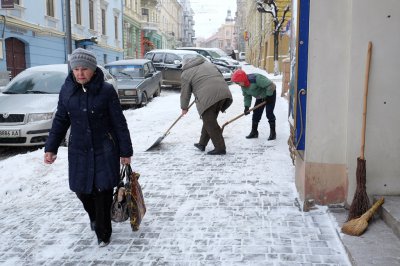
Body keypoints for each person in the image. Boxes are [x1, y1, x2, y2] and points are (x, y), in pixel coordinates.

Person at [43, 48, 133, 247]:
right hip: (79, 149)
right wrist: (51, 148)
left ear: (93, 70)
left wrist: (125, 152)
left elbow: (119, 122)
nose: (80, 73)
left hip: (105, 147)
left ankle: (103, 231)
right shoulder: (67, 90)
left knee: (102, 191)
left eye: (84, 69)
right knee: (81, 190)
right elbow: (60, 120)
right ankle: (95, 217)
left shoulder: (107, 90)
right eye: (76, 69)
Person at [180, 55, 233, 155]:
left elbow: (185, 92)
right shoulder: (208, 64)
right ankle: (202, 144)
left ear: (185, 64)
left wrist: (184, 107)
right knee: (209, 120)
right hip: (224, 92)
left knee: (210, 122)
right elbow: (219, 75)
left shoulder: (186, 72)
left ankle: (220, 148)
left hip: (208, 97)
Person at [231, 69, 277, 140]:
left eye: (238, 82)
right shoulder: (243, 86)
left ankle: (273, 133)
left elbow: (270, 85)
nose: (238, 85)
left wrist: (269, 96)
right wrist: (246, 106)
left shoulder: (256, 79)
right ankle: (254, 132)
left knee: (269, 113)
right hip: (260, 96)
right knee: (256, 113)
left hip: (270, 92)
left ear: (242, 79)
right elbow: (247, 96)